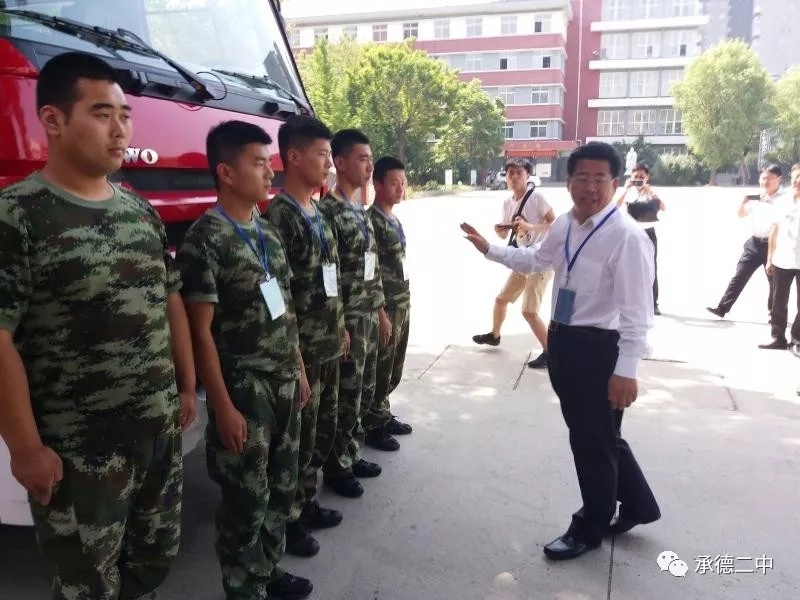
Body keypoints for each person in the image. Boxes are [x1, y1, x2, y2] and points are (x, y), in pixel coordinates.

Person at [0, 51, 197, 599]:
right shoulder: (17, 215)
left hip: (156, 435)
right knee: (86, 584)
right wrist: (25, 448)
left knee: (152, 563)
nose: (120, 130)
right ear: (53, 119)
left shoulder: (140, 211)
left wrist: (185, 385)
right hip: (79, 455)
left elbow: (169, 300)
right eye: (101, 113)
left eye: (125, 115)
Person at [460, 141, 660, 561]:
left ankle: (590, 526)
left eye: (600, 179)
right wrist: (490, 249)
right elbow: (536, 259)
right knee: (599, 434)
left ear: (614, 183)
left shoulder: (626, 237)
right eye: (582, 178)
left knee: (591, 441)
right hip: (564, 340)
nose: (591, 188)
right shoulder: (566, 224)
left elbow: (637, 314)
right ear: (568, 183)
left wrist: (626, 369)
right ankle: (639, 504)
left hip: (599, 349)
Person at [176, 121, 312, 600]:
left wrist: (298, 368)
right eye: (258, 163)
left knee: (281, 486)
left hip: (284, 382)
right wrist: (223, 406)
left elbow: (286, 308)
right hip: (244, 391)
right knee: (245, 498)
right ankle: (242, 588)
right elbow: (200, 333)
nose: (270, 171)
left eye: (268, 162)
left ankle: (267, 571)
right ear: (227, 172)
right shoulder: (205, 240)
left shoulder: (267, 233)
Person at [264, 115, 347, 558]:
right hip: (303, 350)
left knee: (320, 431)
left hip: (327, 341)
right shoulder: (280, 216)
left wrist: (341, 326)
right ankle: (290, 519)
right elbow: (280, 296)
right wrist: (295, 357)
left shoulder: (317, 210)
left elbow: (330, 277)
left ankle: (307, 499)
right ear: (293, 157)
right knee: (296, 440)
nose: (329, 163)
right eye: (322, 154)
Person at [320, 129, 386, 498]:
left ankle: (349, 451)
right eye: (362, 159)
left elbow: (371, 268)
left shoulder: (360, 209)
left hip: (367, 316)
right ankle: (337, 466)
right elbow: (327, 276)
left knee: (361, 390)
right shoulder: (328, 212)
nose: (369, 166)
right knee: (344, 396)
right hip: (347, 321)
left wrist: (380, 311)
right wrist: (339, 325)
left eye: (370, 159)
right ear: (340, 162)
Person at [472, 158, 555, 369]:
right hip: (521, 260)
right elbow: (505, 236)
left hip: (540, 262)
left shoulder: (536, 197)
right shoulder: (508, 203)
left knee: (529, 311)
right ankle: (494, 335)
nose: (514, 177)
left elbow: (554, 224)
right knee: (501, 299)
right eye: (510, 173)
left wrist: (530, 226)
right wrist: (500, 231)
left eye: (519, 173)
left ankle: (551, 353)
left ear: (528, 176)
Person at [363, 156, 414, 451]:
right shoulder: (372, 222)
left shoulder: (393, 218)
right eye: (394, 183)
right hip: (387, 307)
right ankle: (373, 424)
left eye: (403, 183)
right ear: (378, 184)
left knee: (394, 366)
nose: (400, 189)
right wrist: (380, 313)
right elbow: (371, 273)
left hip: (402, 302)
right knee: (381, 368)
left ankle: (383, 412)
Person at [707, 165, 789, 320]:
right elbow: (741, 214)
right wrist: (743, 202)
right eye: (763, 178)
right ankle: (722, 308)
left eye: (769, 178)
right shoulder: (757, 197)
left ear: (778, 179)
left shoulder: (785, 198)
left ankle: (773, 312)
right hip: (754, 244)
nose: (765, 181)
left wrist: (771, 203)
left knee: (774, 281)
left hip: (774, 245)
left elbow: (786, 216)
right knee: (740, 275)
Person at [615, 162, 665, 315]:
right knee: (628, 267)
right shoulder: (627, 191)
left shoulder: (651, 191)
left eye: (641, 177)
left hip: (648, 232)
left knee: (651, 268)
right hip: (631, 233)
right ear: (631, 177)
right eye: (635, 176)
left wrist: (650, 192)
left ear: (647, 177)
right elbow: (615, 207)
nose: (638, 179)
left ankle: (653, 303)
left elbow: (663, 207)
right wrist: (626, 189)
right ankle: (629, 300)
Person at [765, 163, 800, 352]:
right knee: (778, 303)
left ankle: (797, 339)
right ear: (791, 177)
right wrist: (769, 258)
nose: (798, 181)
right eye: (796, 176)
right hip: (782, 259)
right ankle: (778, 338)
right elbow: (774, 229)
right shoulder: (783, 201)